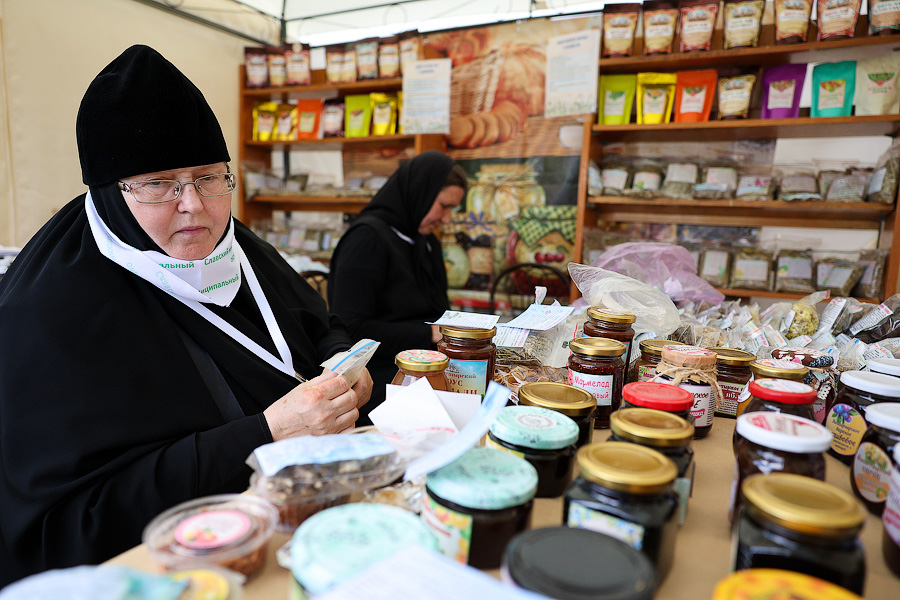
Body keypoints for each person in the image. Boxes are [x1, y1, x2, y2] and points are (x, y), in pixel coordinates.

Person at [0, 45, 371, 587]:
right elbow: (70, 522)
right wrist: (268, 433)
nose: (193, 204)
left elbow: (316, 323)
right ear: (108, 194)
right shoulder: (47, 314)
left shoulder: (234, 246)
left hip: (297, 528)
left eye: (209, 176)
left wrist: (340, 363)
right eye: (158, 183)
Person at [327, 151, 466, 423]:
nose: (447, 219)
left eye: (453, 209)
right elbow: (351, 327)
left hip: (425, 366)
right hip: (380, 377)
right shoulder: (367, 240)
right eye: (444, 206)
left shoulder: (424, 241)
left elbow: (437, 308)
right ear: (420, 193)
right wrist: (429, 334)